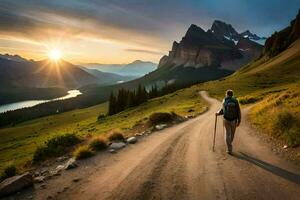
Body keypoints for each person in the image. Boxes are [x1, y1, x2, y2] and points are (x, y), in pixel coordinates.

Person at [216, 89, 241, 154]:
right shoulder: (235, 101)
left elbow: (222, 110)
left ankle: (229, 149)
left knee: (227, 134)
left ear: (226, 94)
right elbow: (239, 111)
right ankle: (230, 143)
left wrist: (217, 113)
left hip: (226, 120)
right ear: (232, 94)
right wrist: (239, 120)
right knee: (232, 134)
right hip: (234, 120)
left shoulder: (224, 101)